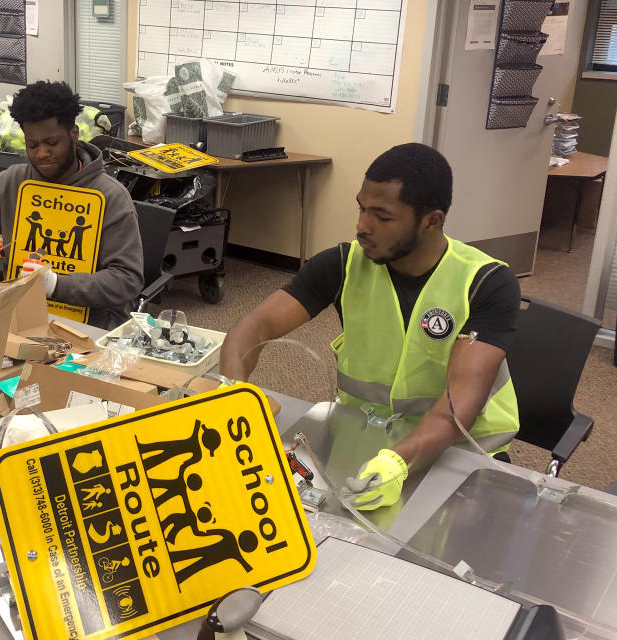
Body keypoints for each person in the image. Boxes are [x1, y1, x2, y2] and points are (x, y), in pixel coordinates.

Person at [220, 143, 520, 510]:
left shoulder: (486, 282)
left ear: (432, 220)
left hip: (462, 455)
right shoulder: (343, 264)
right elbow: (254, 327)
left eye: (382, 216)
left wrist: (397, 462)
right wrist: (231, 393)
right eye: (362, 208)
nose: (362, 226)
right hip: (367, 439)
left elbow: (456, 409)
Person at [0, 80, 143, 329]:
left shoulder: (110, 196)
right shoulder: (14, 181)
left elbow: (127, 279)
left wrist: (58, 285)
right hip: (21, 312)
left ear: (74, 135)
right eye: (32, 145)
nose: (41, 153)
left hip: (92, 323)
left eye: (51, 143)